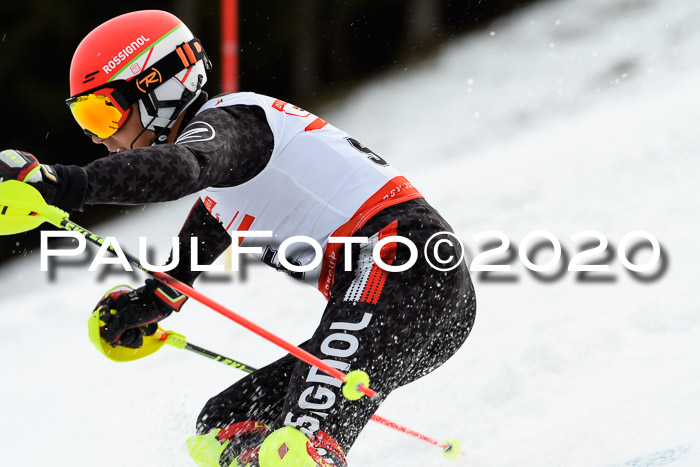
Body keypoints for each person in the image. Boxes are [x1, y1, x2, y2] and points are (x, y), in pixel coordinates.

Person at [0, 10, 476, 467]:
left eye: (103, 113)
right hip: (415, 300)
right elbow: (209, 224)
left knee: (297, 446)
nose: (97, 138)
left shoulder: (232, 123)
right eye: (84, 119)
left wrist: (60, 184)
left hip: (403, 261)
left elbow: (184, 170)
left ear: (158, 87)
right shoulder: (226, 165)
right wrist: (153, 301)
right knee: (223, 427)